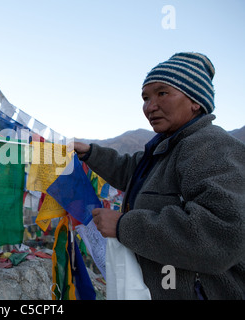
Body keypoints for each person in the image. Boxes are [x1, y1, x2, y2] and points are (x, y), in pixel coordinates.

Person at [74, 52, 245, 300]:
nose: (149, 107)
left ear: (195, 101)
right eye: (145, 98)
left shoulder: (211, 146)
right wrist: (90, 153)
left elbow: (221, 233)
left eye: (162, 93)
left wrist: (123, 226)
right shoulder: (167, 148)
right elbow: (135, 173)